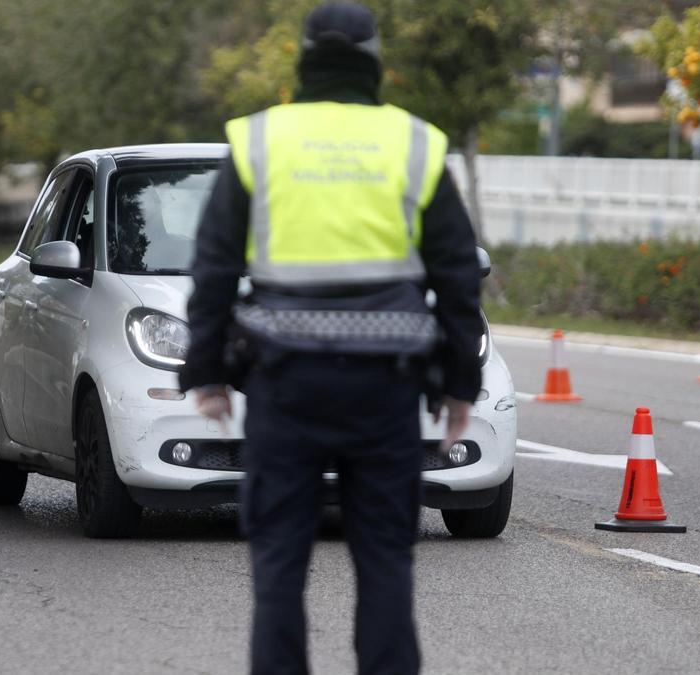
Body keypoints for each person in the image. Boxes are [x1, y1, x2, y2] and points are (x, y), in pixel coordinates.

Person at [177, 3, 484, 673]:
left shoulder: (261, 138)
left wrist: (205, 369)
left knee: (279, 565)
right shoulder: (414, 142)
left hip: (285, 384)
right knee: (384, 562)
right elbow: (459, 272)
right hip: (387, 387)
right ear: (373, 59)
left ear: (305, 60)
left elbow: (216, 262)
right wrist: (462, 383)